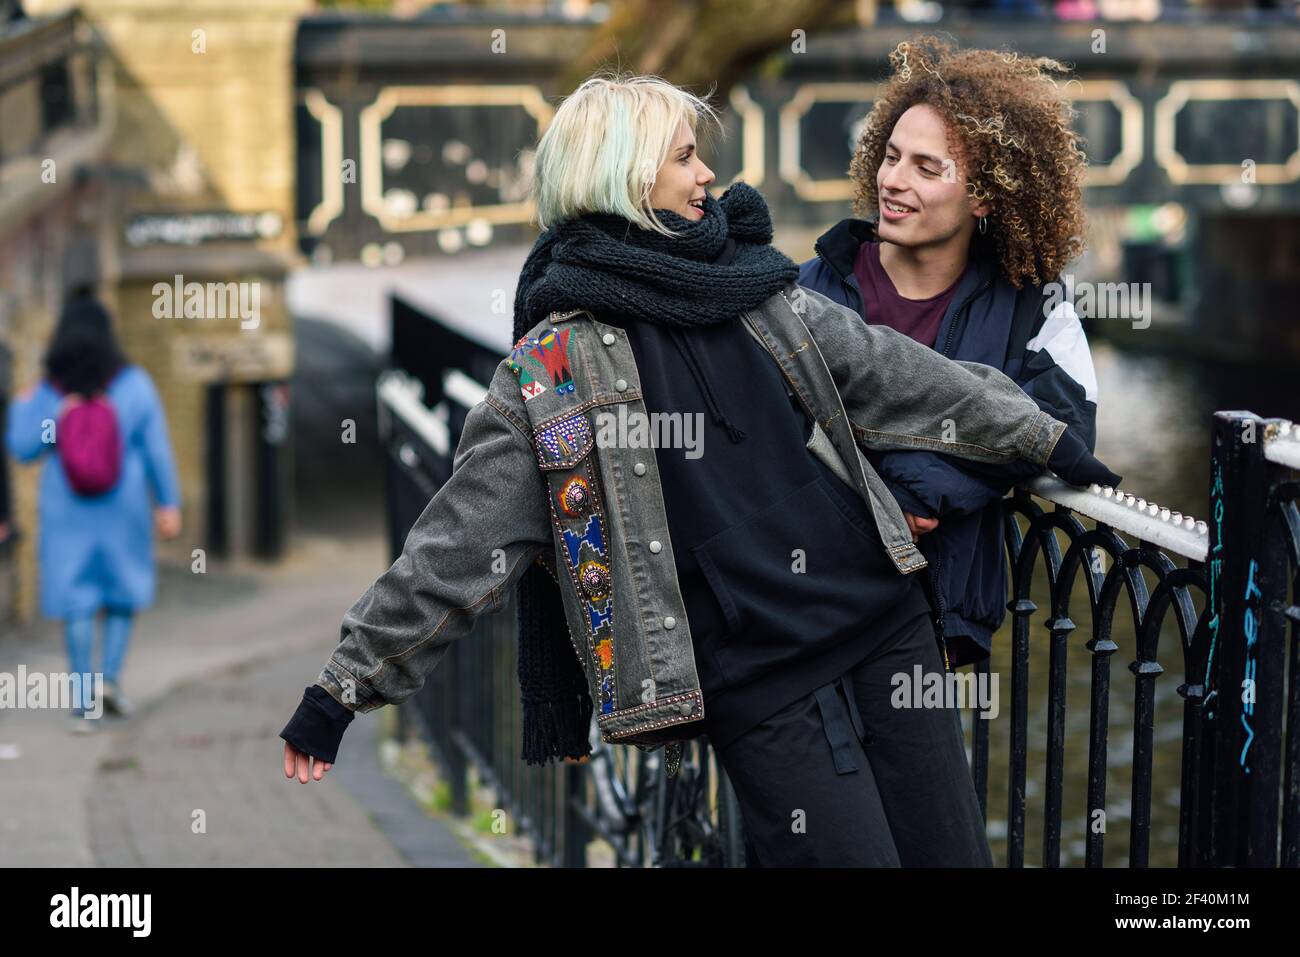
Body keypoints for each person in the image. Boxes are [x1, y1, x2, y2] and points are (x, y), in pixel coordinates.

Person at [279, 73, 1120, 866]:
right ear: (625, 178)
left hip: (884, 623)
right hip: (758, 682)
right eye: (684, 155)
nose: (707, 172)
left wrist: (1045, 441)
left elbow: (893, 372)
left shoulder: (751, 289)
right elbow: (459, 547)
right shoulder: (551, 372)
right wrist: (340, 690)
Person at [800, 36, 1100, 670]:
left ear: (985, 196)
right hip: (806, 610)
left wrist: (920, 490)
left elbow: (1063, 433)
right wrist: (884, 502)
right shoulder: (810, 290)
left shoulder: (1036, 308)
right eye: (890, 157)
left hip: (934, 625)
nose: (893, 181)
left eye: (926, 168)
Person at [5, 294, 182, 732]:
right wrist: (168, 504)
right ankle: (110, 680)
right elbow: (156, 448)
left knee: (77, 601)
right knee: (122, 593)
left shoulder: (50, 390)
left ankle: (83, 702)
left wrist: (26, 404)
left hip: (66, 508)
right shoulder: (133, 384)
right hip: (124, 507)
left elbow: (23, 448)